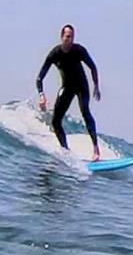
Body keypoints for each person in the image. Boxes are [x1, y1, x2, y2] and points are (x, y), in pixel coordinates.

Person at [35, 24, 101, 160]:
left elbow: (93, 67)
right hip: (67, 87)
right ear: (62, 37)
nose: (70, 40)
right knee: (55, 121)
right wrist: (41, 95)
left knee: (85, 111)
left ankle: (96, 149)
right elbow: (39, 77)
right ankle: (65, 150)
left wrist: (96, 86)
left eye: (72, 37)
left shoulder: (79, 51)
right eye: (67, 37)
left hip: (81, 86)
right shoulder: (55, 54)